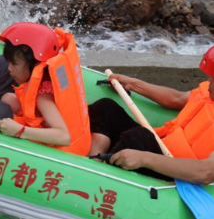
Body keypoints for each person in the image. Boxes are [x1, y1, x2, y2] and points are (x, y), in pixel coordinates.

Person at [89, 45, 214, 184]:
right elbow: (176, 98)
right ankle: (94, 162)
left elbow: (206, 172)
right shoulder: (207, 91)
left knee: (139, 138)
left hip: (178, 172)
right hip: (162, 142)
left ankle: (99, 179)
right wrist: (133, 84)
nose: (209, 82)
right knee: (106, 108)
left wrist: (144, 159)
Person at [0, 22, 91, 156]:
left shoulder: (43, 97)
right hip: (56, 127)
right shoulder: (45, 78)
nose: (9, 68)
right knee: (8, 99)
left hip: (66, 150)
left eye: (14, 63)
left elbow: (64, 137)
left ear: (34, 63)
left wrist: (19, 130)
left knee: (8, 112)